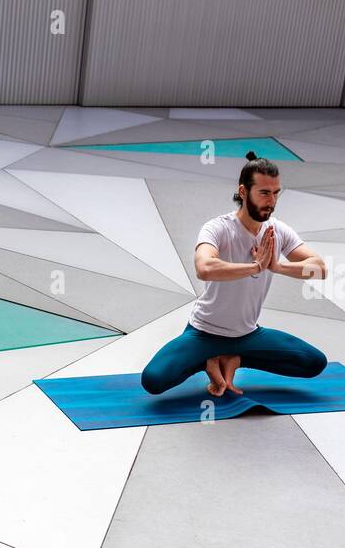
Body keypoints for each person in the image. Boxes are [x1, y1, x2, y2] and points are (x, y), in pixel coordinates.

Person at [140, 152, 330, 398]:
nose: (271, 201)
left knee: (314, 362)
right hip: (204, 333)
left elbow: (320, 268)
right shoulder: (218, 228)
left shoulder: (278, 230)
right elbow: (204, 268)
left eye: (276, 193)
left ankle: (235, 358)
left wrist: (277, 267)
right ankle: (208, 360)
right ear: (243, 192)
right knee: (153, 380)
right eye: (264, 193)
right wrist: (255, 267)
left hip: (248, 335)